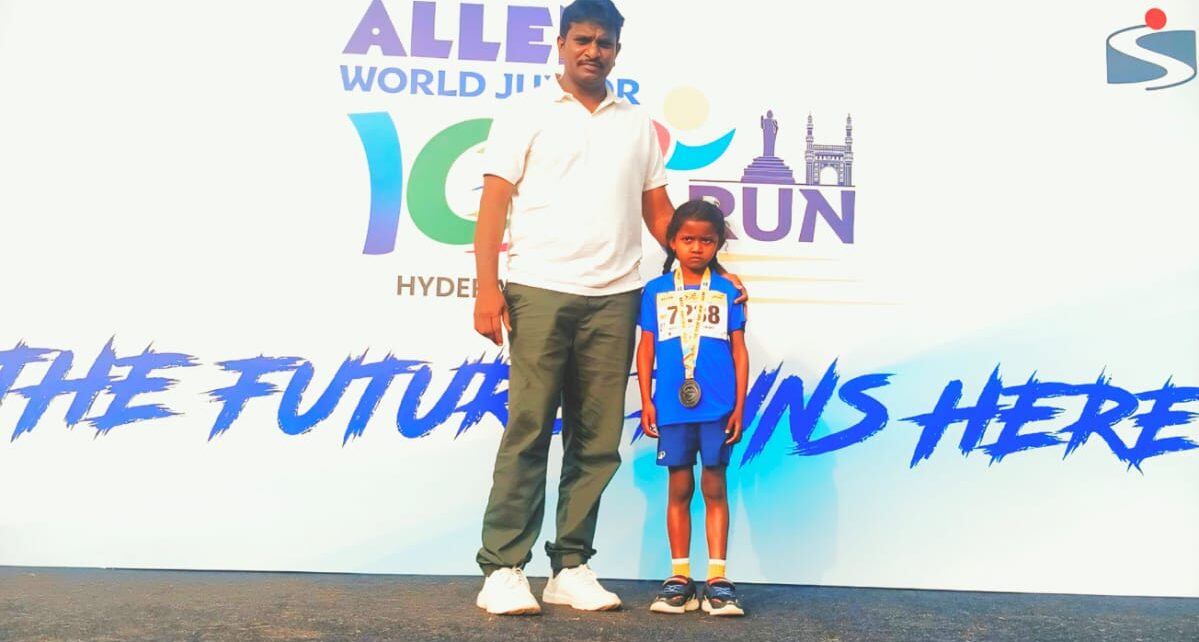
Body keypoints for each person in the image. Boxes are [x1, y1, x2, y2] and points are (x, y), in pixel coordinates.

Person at [470, 0, 675, 616]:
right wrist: (486, 288)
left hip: (616, 295)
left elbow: (658, 211)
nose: (593, 51)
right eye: (582, 39)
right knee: (529, 429)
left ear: (617, 51)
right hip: (538, 287)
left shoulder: (637, 124)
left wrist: (708, 271)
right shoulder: (525, 112)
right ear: (560, 44)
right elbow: (494, 203)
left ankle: (570, 566)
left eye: (604, 42)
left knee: (598, 439)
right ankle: (503, 568)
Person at [637, 199, 748, 617]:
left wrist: (739, 406)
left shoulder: (729, 290)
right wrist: (646, 400)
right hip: (672, 407)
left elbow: (739, 352)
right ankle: (680, 578)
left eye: (707, 240)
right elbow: (646, 347)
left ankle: (717, 578)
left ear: (718, 244)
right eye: (688, 239)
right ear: (672, 241)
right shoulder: (656, 290)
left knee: (715, 488)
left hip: (717, 408)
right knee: (679, 488)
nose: (697, 247)